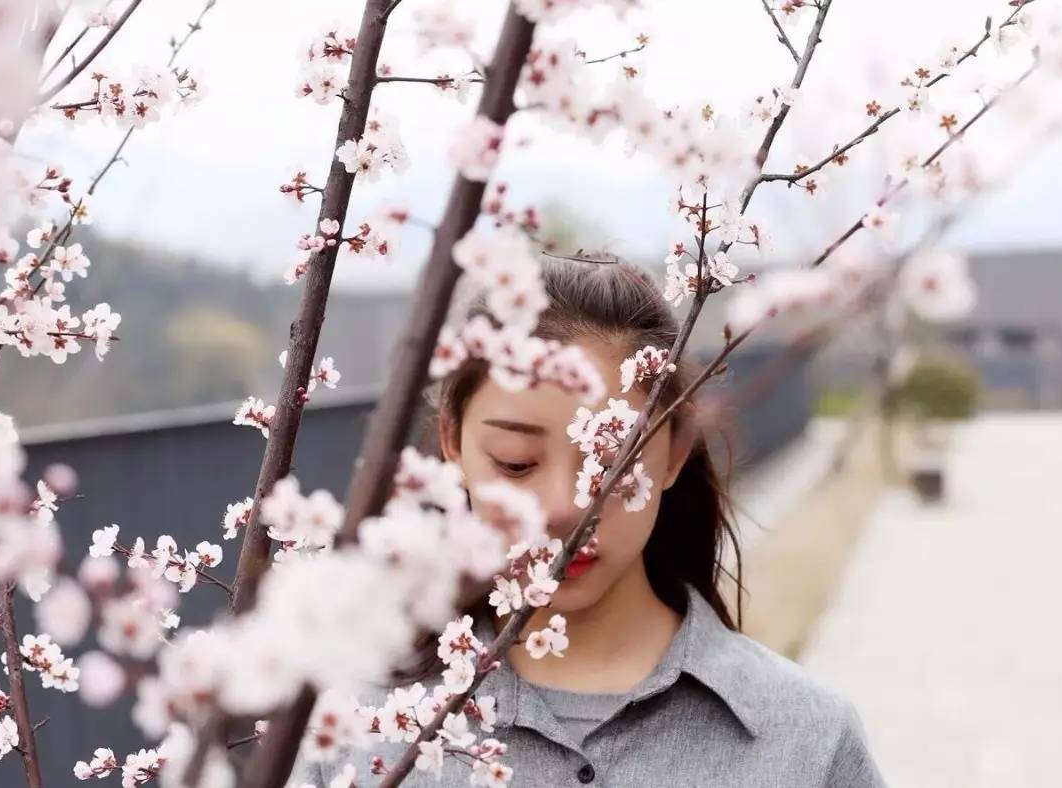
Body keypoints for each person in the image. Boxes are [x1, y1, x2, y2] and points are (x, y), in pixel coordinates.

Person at [291, 259, 886, 787]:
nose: (564, 508)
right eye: (516, 464)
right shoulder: (356, 728)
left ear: (674, 454)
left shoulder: (806, 739)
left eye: (615, 465)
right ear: (453, 442)